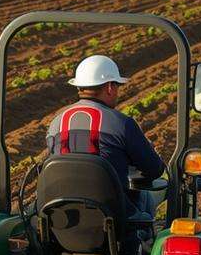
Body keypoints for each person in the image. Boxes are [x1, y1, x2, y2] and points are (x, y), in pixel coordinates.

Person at [45, 55, 165, 216]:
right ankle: (142, 239)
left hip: (62, 215)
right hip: (113, 219)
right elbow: (154, 169)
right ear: (109, 87)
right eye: (117, 86)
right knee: (145, 198)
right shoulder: (122, 124)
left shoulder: (56, 123)